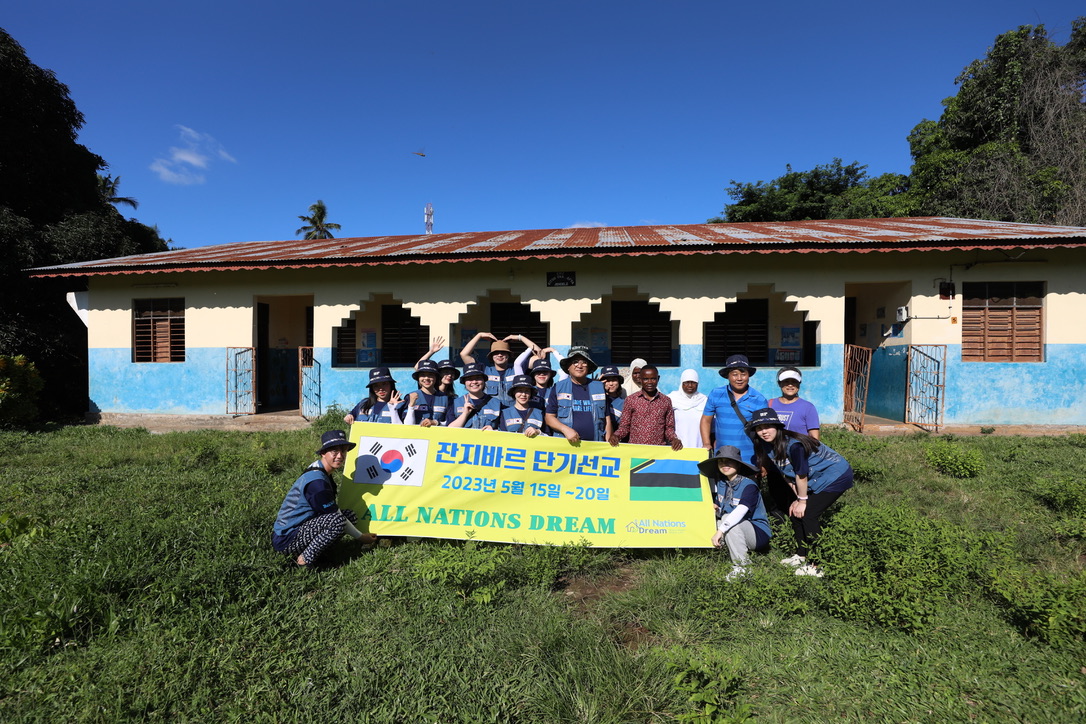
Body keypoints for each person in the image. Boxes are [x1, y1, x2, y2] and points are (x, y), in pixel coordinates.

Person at [748, 407, 854, 578]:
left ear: (777, 426)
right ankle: (801, 555)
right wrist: (797, 499)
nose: (764, 432)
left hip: (836, 476)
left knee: (809, 514)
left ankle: (817, 564)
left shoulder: (795, 446)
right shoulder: (767, 444)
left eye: (767, 426)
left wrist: (803, 501)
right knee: (795, 512)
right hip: (814, 477)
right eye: (759, 428)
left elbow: (801, 475)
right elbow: (785, 472)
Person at [272, 430, 375, 568]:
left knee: (350, 516)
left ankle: (319, 552)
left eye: (343, 451)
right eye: (334, 451)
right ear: (323, 453)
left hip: (302, 527)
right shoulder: (317, 483)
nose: (340, 456)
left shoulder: (318, 468)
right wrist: (361, 537)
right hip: (286, 538)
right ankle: (304, 560)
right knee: (338, 521)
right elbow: (335, 515)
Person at [699, 445, 771, 581]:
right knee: (718, 520)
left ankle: (743, 567)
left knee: (727, 521)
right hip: (734, 528)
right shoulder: (721, 484)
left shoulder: (749, 485)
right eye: (721, 461)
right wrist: (716, 509)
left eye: (729, 461)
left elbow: (740, 511)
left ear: (738, 464)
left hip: (757, 533)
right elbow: (722, 511)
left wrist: (720, 530)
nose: (724, 464)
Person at [700, 354, 768, 465]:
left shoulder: (758, 399)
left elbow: (765, 431)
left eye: (743, 374)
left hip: (749, 459)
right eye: (735, 374)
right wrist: (706, 443)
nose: (739, 378)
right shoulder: (716, 394)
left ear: (748, 376)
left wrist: (763, 460)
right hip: (722, 457)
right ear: (728, 376)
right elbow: (706, 420)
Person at [609, 364, 682, 450]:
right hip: (635, 450)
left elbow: (669, 428)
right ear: (640, 379)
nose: (650, 382)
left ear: (658, 378)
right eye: (646, 379)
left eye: (653, 379)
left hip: (658, 450)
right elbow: (624, 426)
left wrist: (674, 439)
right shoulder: (631, 400)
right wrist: (616, 435)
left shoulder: (666, 401)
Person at [545, 346, 608, 444]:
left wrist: (608, 442)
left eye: (584, 362)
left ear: (588, 367)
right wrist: (565, 429)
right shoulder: (558, 387)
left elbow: (607, 418)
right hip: (565, 446)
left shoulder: (599, 387)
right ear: (568, 367)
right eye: (575, 362)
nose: (579, 366)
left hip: (595, 446)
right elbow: (549, 417)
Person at [460, 331, 519, 406]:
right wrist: (479, 335)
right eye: (496, 353)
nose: (500, 355)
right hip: (491, 411)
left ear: (508, 355)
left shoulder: (517, 370)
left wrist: (520, 337)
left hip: (512, 412)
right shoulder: (484, 370)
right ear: (491, 356)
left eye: (503, 352)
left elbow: (535, 355)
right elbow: (464, 354)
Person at [768, 367, 820, 440]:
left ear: (799, 384)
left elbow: (814, 437)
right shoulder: (769, 404)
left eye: (794, 381)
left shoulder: (808, 407)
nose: (790, 385)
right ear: (779, 383)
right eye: (786, 381)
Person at [448, 362, 503, 430]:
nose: (474, 382)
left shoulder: (497, 403)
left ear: (484, 381)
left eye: (478, 378)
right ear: (464, 382)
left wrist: (494, 430)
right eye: (470, 379)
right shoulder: (455, 403)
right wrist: (465, 414)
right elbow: (449, 430)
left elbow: (505, 429)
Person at [669, 369, 707, 448]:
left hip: (699, 445)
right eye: (686, 382)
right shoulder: (672, 399)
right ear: (682, 383)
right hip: (677, 446)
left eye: (693, 382)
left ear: (697, 384)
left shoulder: (704, 400)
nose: (690, 385)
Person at [405, 360, 449, 427]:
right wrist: (411, 406)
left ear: (436, 378)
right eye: (422, 375)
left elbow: (450, 422)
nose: (426, 378)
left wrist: (435, 422)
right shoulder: (410, 397)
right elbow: (406, 425)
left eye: (430, 375)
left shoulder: (445, 398)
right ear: (418, 378)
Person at [597, 365, 626, 441]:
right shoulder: (596, 399)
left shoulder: (624, 403)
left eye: (614, 380)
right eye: (607, 381)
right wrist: (597, 387)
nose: (611, 384)